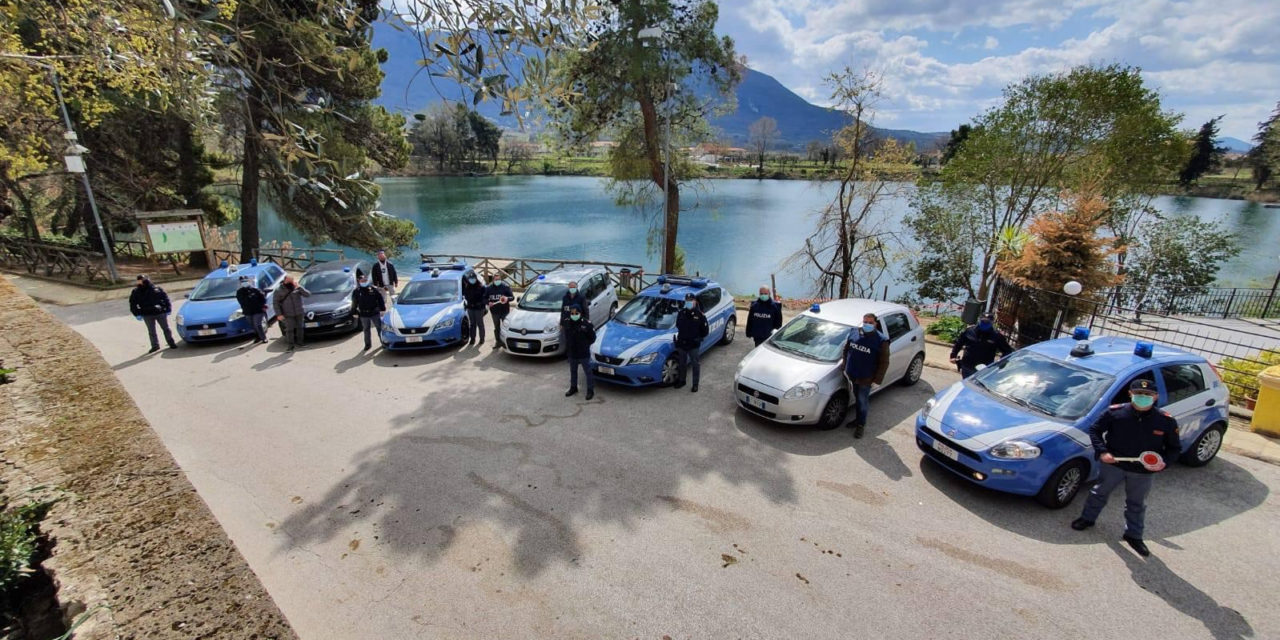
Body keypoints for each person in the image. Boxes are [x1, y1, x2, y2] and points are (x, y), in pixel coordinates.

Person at [1071, 379, 1181, 557]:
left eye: (1147, 395)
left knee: (1136, 504)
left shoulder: (1165, 421)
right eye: (1139, 394)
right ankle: (1087, 519)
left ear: (1155, 397)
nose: (1143, 397)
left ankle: (1134, 536)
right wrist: (1102, 451)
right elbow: (1095, 430)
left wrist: (1163, 464)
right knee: (1099, 493)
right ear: (1131, 394)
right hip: (1114, 464)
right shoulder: (1115, 412)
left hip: (1143, 471)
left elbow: (1174, 448)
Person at [841, 313, 890, 438]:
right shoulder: (854, 332)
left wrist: (878, 380)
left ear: (875, 324)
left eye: (870, 322)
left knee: (862, 402)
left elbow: (884, 362)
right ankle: (857, 420)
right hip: (852, 375)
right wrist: (845, 367)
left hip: (866, 378)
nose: (867, 325)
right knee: (857, 399)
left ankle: (860, 425)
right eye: (865, 322)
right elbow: (846, 350)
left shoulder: (881, 340)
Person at [949, 312, 1014, 378]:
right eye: (983, 321)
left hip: (985, 369)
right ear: (979, 320)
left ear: (992, 322)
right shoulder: (969, 331)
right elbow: (958, 343)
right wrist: (953, 355)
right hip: (967, 367)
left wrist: (1000, 364)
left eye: (987, 322)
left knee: (978, 388)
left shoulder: (997, 336)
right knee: (967, 386)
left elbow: (1007, 351)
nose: (985, 323)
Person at [129, 274, 176, 353]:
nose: (141, 281)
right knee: (151, 331)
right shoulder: (136, 291)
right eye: (139, 280)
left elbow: (165, 298)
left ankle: (171, 342)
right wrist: (137, 314)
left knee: (166, 328)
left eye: (142, 279)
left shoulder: (156, 289)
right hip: (146, 314)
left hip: (159, 312)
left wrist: (168, 308)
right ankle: (155, 346)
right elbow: (133, 304)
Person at [673, 293, 709, 392]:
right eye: (687, 300)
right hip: (682, 343)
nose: (689, 302)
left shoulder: (700, 315)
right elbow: (678, 325)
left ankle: (695, 384)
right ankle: (682, 380)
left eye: (691, 300)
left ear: (695, 301)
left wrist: (697, 338)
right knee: (682, 363)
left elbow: (705, 331)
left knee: (695, 365)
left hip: (693, 345)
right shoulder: (681, 313)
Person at [563, 304, 597, 400]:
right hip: (572, 353)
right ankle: (573, 388)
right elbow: (566, 337)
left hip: (583, 353)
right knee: (573, 371)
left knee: (588, 372)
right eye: (572, 313)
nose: (574, 315)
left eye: (576, 313)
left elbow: (593, 338)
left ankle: (590, 390)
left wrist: (585, 345)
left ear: (580, 313)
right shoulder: (567, 322)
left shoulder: (587, 324)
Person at [272, 275, 310, 350]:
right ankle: (290, 346)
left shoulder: (296, 287)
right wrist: (279, 314)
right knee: (289, 330)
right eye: (289, 280)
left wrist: (299, 287)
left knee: (300, 328)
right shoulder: (279, 290)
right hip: (287, 313)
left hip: (299, 312)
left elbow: (307, 294)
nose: (291, 282)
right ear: (285, 280)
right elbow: (275, 303)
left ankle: (300, 342)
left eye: (292, 280)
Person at [351, 273, 386, 351]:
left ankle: (383, 342)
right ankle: (367, 344)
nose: (364, 281)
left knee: (379, 328)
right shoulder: (357, 291)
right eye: (362, 280)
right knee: (366, 329)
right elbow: (354, 302)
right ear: (359, 281)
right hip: (364, 314)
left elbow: (380, 299)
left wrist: (382, 309)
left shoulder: (373, 289)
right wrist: (354, 312)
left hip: (374, 312)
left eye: (365, 280)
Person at [235, 275, 269, 344]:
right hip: (248, 312)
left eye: (245, 281)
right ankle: (258, 337)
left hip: (258, 311)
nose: (244, 283)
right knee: (253, 325)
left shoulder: (255, 290)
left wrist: (261, 305)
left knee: (257, 324)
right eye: (242, 282)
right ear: (240, 283)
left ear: (249, 281)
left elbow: (263, 299)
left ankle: (263, 338)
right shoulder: (239, 292)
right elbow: (241, 302)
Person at [485, 271, 515, 350]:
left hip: (505, 311)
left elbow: (512, 297)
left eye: (498, 279)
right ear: (493, 280)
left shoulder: (505, 287)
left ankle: (506, 342)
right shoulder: (489, 288)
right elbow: (483, 298)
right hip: (494, 312)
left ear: (501, 279)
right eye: (495, 280)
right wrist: (488, 302)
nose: (497, 281)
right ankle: (498, 342)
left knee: (506, 327)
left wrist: (507, 299)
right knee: (497, 327)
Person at [461, 270, 488, 346]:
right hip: (470, 308)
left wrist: (481, 303)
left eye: (473, 278)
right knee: (472, 324)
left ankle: (482, 339)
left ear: (476, 279)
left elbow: (485, 297)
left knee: (480, 324)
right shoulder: (467, 287)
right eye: (471, 279)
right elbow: (465, 296)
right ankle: (472, 339)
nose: (472, 280)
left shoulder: (481, 287)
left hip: (479, 308)